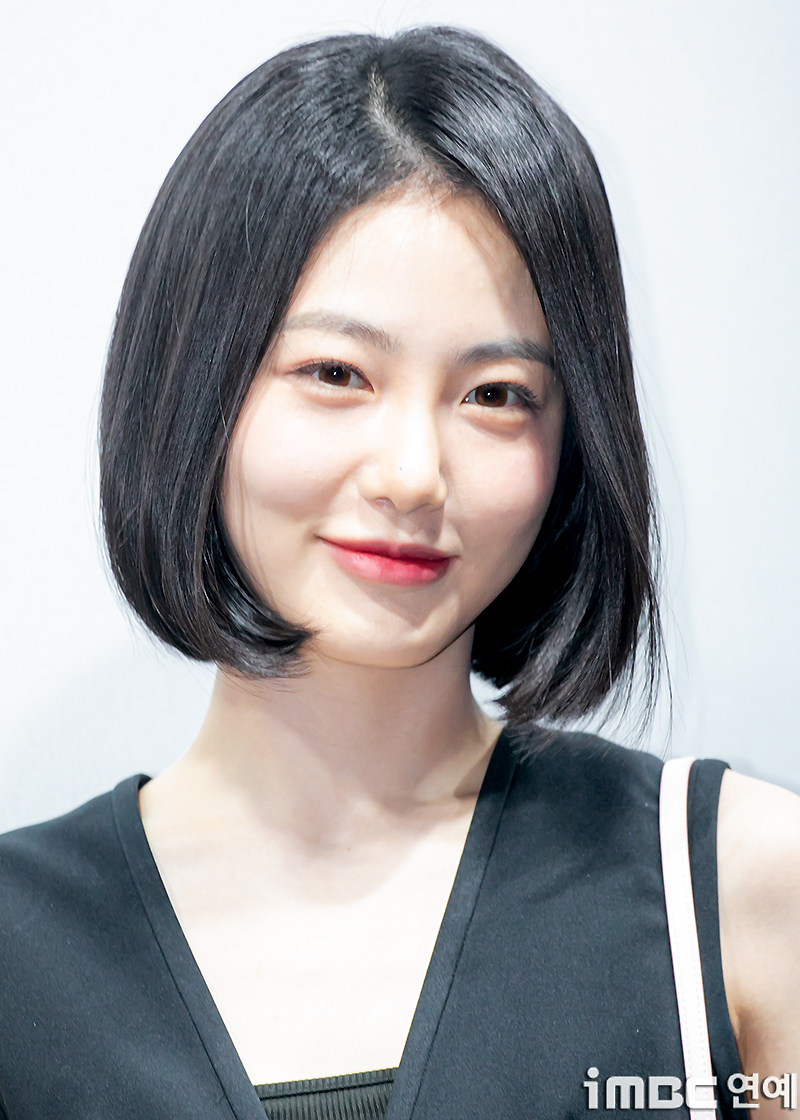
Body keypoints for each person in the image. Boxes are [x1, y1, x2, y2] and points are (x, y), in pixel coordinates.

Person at [0, 25, 797, 1120]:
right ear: (192, 389)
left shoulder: (733, 891)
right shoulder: (20, 954)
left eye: (496, 395)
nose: (414, 474)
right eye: (336, 373)